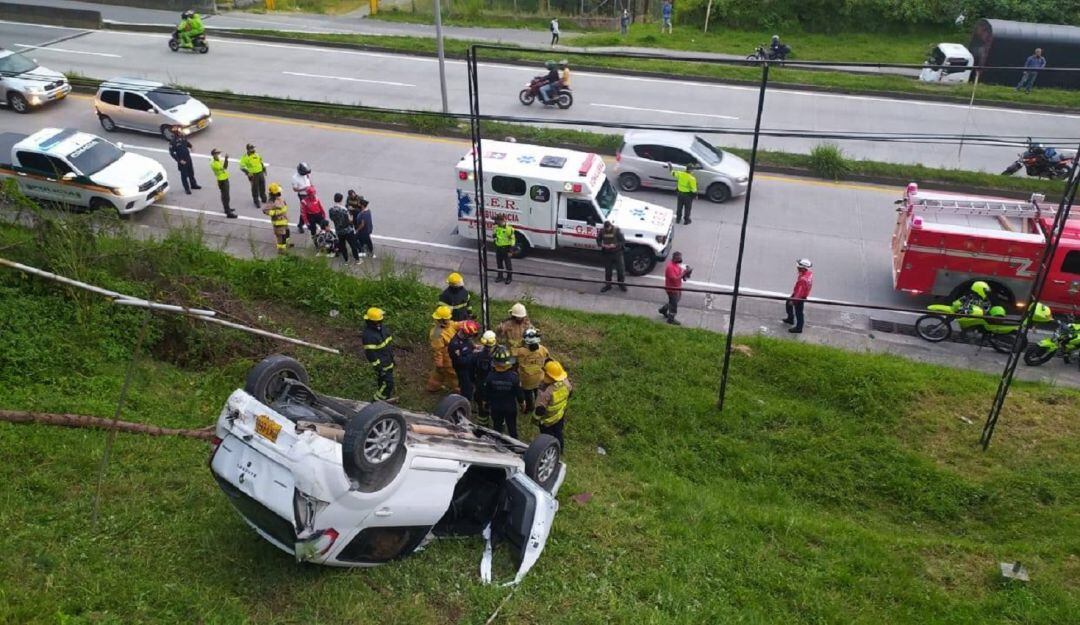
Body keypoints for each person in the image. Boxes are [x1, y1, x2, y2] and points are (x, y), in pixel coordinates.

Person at [483, 346, 525, 438]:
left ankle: (496, 443)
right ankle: (514, 445)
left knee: (497, 427)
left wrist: (485, 403)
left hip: (496, 407)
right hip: (510, 408)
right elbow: (519, 394)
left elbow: (486, 394)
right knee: (512, 428)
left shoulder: (490, 377)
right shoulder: (514, 377)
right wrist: (522, 404)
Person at [534, 360, 572, 449]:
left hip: (547, 420)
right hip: (559, 415)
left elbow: (540, 410)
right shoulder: (566, 383)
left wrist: (536, 420)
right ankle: (560, 448)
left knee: (546, 438)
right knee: (558, 433)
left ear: (547, 375)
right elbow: (570, 393)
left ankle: (549, 450)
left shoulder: (545, 391)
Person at [362, 307, 396, 402]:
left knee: (383, 383)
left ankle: (385, 399)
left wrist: (392, 358)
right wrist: (379, 369)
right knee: (388, 384)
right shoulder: (368, 336)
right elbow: (371, 355)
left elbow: (388, 344)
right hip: (382, 365)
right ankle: (375, 402)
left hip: (389, 361)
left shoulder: (382, 329)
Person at [514, 327, 550, 414]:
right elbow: (547, 358)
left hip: (527, 380)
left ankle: (530, 407)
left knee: (528, 394)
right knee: (538, 391)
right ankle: (539, 405)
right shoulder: (543, 349)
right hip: (540, 377)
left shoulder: (521, 351)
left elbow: (516, 362)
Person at [426, 305, 459, 393]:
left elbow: (456, 325)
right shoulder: (437, 334)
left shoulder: (449, 325)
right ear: (443, 320)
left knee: (438, 374)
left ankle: (432, 387)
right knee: (453, 375)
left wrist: (466, 323)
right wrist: (439, 362)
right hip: (446, 357)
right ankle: (459, 391)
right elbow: (438, 350)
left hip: (449, 352)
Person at [448, 319, 481, 400]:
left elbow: (469, 345)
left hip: (470, 367)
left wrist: (476, 347)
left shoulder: (466, 338)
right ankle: (465, 402)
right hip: (462, 369)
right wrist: (473, 354)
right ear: (465, 333)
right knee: (467, 387)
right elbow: (460, 361)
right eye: (470, 335)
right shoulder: (455, 345)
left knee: (473, 381)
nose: (470, 337)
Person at [659, 251, 692, 325]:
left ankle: (663, 309)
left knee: (675, 301)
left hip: (677, 288)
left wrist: (686, 274)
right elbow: (675, 279)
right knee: (674, 304)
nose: (680, 259)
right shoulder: (670, 267)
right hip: (671, 289)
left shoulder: (677, 265)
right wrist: (684, 273)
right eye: (679, 258)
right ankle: (671, 319)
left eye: (681, 257)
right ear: (674, 258)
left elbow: (681, 274)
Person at [472, 330, 498, 427]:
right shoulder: (497, 355)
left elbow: (472, 369)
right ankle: (497, 426)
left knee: (481, 407)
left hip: (480, 383)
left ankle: (483, 426)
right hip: (492, 384)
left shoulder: (477, 355)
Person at [781, 258, 814, 334]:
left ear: (802, 268)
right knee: (788, 302)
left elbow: (800, 292)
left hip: (799, 296)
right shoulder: (808, 274)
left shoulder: (803, 280)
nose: (797, 268)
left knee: (799, 312)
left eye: (798, 267)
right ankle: (790, 318)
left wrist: (793, 301)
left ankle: (799, 328)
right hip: (799, 293)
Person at [328, 192, 360, 264]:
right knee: (353, 245)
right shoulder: (344, 210)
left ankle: (346, 260)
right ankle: (357, 259)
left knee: (343, 246)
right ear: (341, 200)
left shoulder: (331, 210)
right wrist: (351, 217)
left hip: (339, 231)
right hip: (348, 230)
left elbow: (332, 218)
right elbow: (350, 221)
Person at [596, 220, 627, 293]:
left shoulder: (617, 231)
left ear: (611, 226)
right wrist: (602, 245)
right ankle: (608, 285)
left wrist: (615, 245)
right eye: (606, 229)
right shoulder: (602, 231)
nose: (607, 230)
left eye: (608, 228)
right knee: (608, 271)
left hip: (617, 253)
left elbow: (623, 241)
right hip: (607, 254)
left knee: (620, 270)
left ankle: (621, 284)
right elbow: (598, 240)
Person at [261, 182, 291, 253]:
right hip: (278, 223)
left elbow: (284, 207)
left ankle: (286, 244)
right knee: (281, 237)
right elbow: (265, 210)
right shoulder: (271, 202)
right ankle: (281, 250)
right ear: (275, 192)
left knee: (287, 233)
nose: (280, 192)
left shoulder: (279, 199)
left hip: (284, 221)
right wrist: (276, 213)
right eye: (279, 191)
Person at [167, 130, 200, 194]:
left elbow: (187, 143)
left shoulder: (182, 137)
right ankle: (187, 189)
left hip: (188, 158)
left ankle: (193, 185)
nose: (181, 132)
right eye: (179, 132)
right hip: (182, 160)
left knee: (191, 172)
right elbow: (172, 153)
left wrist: (191, 146)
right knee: (184, 175)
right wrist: (179, 161)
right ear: (176, 133)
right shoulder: (172, 142)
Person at [209, 148, 236, 218]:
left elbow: (225, 167)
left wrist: (226, 160)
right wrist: (226, 159)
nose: (219, 154)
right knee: (225, 196)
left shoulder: (218, 160)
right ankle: (228, 212)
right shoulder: (214, 163)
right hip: (222, 180)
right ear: (214, 154)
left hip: (224, 178)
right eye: (217, 153)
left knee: (226, 196)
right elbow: (224, 167)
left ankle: (227, 208)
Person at [239, 143, 268, 209]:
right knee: (255, 188)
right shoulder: (245, 157)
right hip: (253, 175)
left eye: (253, 148)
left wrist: (264, 169)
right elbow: (241, 167)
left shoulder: (256, 154)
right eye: (252, 148)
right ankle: (256, 201)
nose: (253, 149)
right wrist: (247, 172)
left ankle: (263, 198)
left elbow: (260, 162)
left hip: (260, 173)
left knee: (262, 185)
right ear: (248, 149)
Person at [493, 214, 515, 284]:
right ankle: (500, 276)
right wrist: (495, 244)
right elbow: (495, 236)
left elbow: (512, 240)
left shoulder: (509, 229)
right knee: (499, 264)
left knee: (508, 265)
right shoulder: (496, 227)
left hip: (506, 249)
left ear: (501, 220)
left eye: (496, 220)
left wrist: (510, 251)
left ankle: (509, 278)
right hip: (498, 248)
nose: (495, 221)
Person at [291, 162, 312, 230]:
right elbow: (295, 189)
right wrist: (304, 188)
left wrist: (311, 186)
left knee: (312, 209)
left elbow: (309, 180)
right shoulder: (295, 178)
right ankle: (301, 225)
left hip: (310, 193)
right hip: (303, 195)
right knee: (304, 210)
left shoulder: (306, 173)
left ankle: (308, 222)